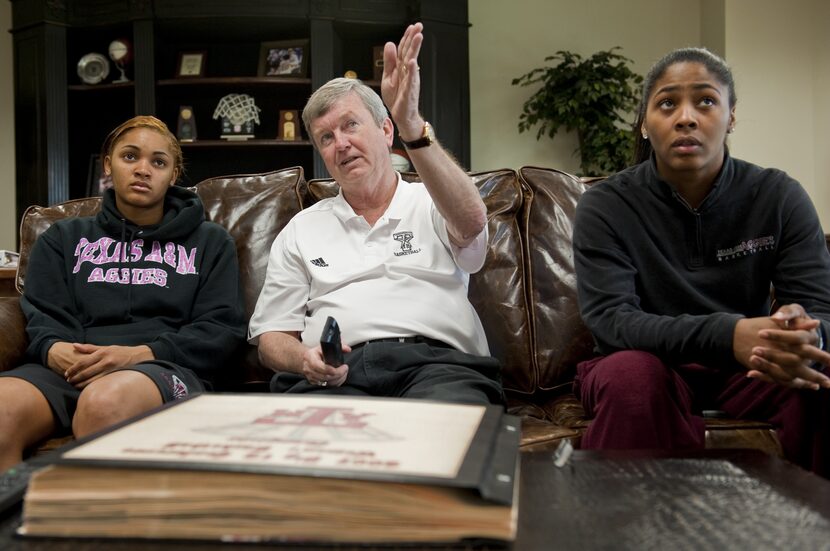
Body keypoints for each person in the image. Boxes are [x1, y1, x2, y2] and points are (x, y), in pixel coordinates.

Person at [572, 47, 830, 475]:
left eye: (706, 101)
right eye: (668, 103)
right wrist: (729, 334)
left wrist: (801, 335)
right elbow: (612, 321)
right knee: (632, 380)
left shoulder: (779, 196)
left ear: (730, 117)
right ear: (643, 124)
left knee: (816, 374)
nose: (686, 117)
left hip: (750, 366)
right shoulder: (606, 204)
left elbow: (821, 311)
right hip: (643, 359)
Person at [248, 23, 503, 406]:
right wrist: (305, 359)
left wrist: (412, 125)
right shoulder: (302, 229)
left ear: (386, 130)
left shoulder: (431, 200)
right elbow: (272, 339)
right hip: (338, 377)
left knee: (443, 440)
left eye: (350, 124)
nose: (341, 144)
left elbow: (472, 222)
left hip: (439, 367)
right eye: (326, 138)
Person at [0, 115, 247, 471]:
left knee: (105, 402)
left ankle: (92, 526)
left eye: (158, 162)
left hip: (161, 366)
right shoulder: (62, 238)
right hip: (70, 368)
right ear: (108, 165)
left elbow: (221, 329)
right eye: (130, 156)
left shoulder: (210, 241)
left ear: (173, 175)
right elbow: (43, 314)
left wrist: (137, 355)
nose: (143, 169)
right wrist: (55, 349)